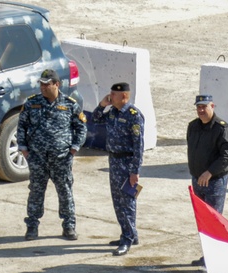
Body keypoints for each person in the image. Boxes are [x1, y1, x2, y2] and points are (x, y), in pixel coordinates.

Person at [17, 68, 87, 241]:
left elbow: (81, 127)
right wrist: (24, 150)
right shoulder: (32, 103)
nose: (42, 87)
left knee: (65, 191)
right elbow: (21, 126)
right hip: (37, 158)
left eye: (46, 84)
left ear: (56, 84)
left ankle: (69, 226)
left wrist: (73, 149)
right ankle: (32, 226)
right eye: (41, 84)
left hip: (61, 159)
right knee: (36, 192)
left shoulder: (70, 105)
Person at [92, 82, 144, 256]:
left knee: (127, 202)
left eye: (113, 94)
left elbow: (138, 146)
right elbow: (95, 119)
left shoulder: (133, 115)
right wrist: (102, 105)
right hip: (113, 161)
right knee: (117, 201)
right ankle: (128, 233)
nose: (110, 96)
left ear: (124, 96)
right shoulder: (112, 112)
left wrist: (135, 171)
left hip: (127, 162)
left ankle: (127, 238)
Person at [186, 94, 228, 265]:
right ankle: (208, 257)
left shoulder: (221, 129)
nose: (201, 110)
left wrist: (209, 172)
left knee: (214, 221)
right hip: (197, 181)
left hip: (214, 182)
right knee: (203, 221)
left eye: (204, 107)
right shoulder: (193, 126)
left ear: (212, 106)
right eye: (198, 107)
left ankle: (215, 260)